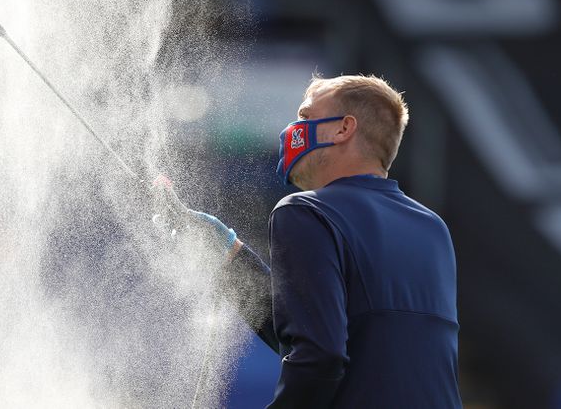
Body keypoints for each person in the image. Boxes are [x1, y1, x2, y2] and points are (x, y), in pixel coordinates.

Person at [184, 75, 462, 408]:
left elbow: (320, 356)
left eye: (305, 117)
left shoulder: (305, 211)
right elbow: (341, 341)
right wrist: (229, 256)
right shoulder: (432, 228)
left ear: (344, 128)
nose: (292, 130)